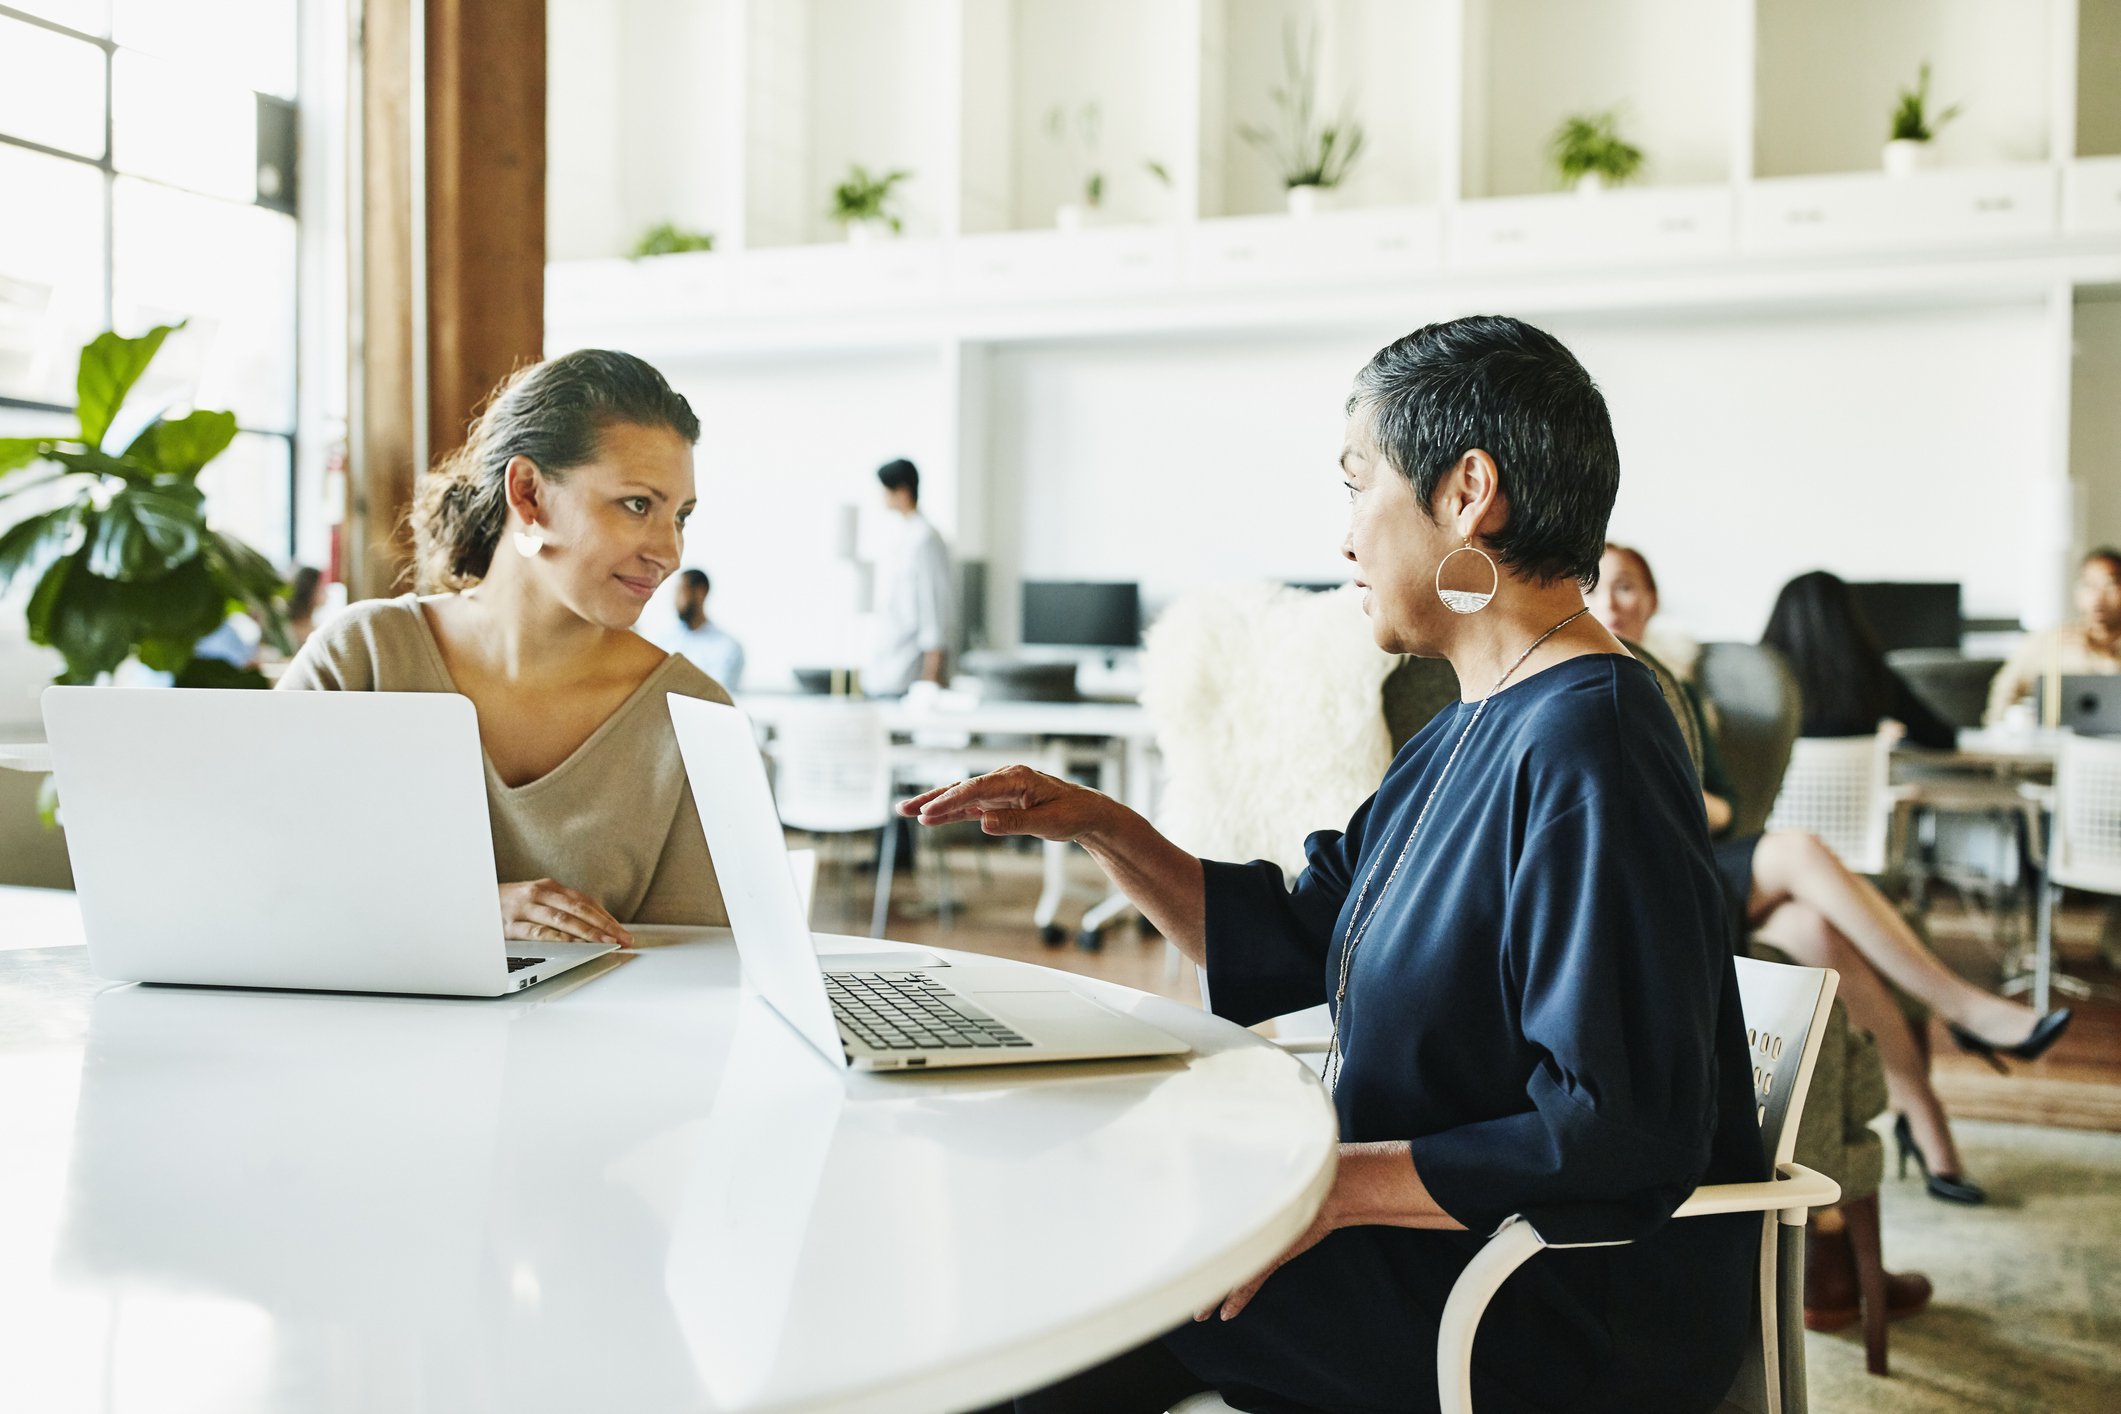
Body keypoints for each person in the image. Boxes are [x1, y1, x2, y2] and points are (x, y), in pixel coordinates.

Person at [930, 316, 1765, 1414]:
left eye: (1357, 482)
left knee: (1064, 1316)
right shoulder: (1472, 725)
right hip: (1431, 1246)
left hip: (1538, 1302)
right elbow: (1299, 935)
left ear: (1469, 492)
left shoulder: (1592, 740)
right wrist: (1104, 827)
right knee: (1066, 1259)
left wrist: (1325, 1189)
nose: (1346, 539)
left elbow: (1616, 1130)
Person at [1594, 549, 2070, 1208]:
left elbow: (1727, 805)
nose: (1613, 602)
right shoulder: (1588, 685)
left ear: (1650, 600)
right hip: (1658, 883)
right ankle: (1963, 1008)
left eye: (1628, 588)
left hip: (1710, 860)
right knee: (1796, 850)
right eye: (1598, 586)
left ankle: (1927, 1132)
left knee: (1818, 932)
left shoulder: (1687, 689)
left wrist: (1682, 793)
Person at [279, 349, 730, 942]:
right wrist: (463, 912)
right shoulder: (363, 657)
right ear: (528, 495)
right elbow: (258, 873)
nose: (668, 553)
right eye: (638, 505)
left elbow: (697, 976)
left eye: (681, 517)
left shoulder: (693, 716)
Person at [1983, 546, 2121, 725]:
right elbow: (2006, 689)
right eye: (2089, 585)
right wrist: (1997, 733)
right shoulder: (2051, 641)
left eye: (2110, 585)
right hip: (2059, 744)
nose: (2098, 597)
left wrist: (2103, 656)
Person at [865, 457, 951, 696]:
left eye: (886, 491)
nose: (882, 497)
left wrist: (932, 673)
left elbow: (934, 604)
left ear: (902, 491)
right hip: (890, 666)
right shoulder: (906, 537)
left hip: (909, 671)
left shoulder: (925, 539)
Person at [651, 567, 744, 689]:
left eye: (681, 591)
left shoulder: (727, 647)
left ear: (700, 592)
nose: (675, 600)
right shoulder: (664, 641)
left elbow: (716, 693)